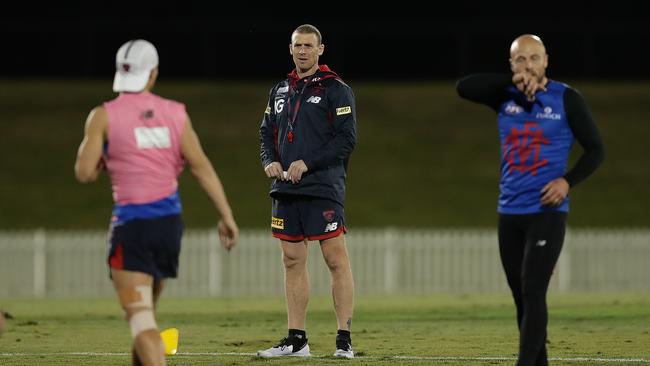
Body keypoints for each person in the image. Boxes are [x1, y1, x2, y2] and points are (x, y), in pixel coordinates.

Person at [74, 39, 239, 366]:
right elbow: (201, 166)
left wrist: (105, 155)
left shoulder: (103, 116)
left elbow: (83, 173)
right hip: (169, 227)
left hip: (132, 228)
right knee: (146, 315)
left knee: (140, 321)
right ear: (153, 74)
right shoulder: (175, 113)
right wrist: (226, 216)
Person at [456, 34, 604, 365]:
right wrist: (511, 81)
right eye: (520, 59)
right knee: (522, 299)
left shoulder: (566, 98)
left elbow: (596, 149)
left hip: (547, 212)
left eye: (534, 58)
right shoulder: (503, 96)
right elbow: (464, 87)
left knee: (534, 290)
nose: (528, 65)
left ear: (546, 60)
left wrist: (568, 182)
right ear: (511, 65)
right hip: (509, 211)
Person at [257, 24, 357, 359]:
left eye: (309, 46)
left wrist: (307, 163)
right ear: (290, 48)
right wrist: (270, 161)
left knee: (335, 259)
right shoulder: (280, 89)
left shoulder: (336, 89)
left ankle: (344, 339)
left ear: (320, 49)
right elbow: (266, 133)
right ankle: (296, 341)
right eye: (297, 45)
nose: (302, 51)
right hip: (285, 187)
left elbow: (346, 140)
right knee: (291, 260)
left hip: (323, 187)